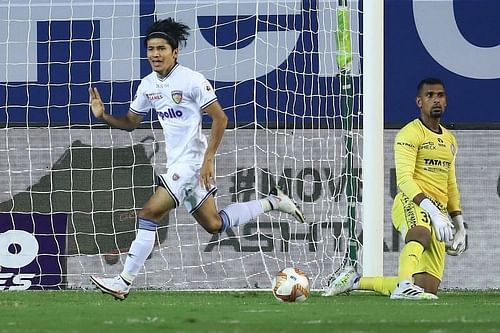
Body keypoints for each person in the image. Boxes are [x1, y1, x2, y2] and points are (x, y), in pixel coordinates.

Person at [89, 18, 305, 300]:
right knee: (214, 224)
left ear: (174, 52)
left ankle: (123, 281)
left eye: (161, 48)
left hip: (191, 165)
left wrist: (208, 159)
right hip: (178, 164)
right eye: (151, 49)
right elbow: (131, 122)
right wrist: (103, 116)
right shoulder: (147, 86)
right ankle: (274, 201)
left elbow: (220, 117)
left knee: (149, 214)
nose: (155, 54)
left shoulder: (191, 80)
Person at [323, 78, 467, 300]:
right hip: (413, 201)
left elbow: (451, 184)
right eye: (430, 95)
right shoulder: (409, 133)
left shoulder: (449, 140)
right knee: (421, 232)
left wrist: (459, 226)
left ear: (446, 101)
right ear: (419, 102)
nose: (436, 100)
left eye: (440, 95)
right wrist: (432, 212)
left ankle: (355, 280)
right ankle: (403, 286)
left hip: (438, 211)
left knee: (427, 288)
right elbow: (405, 180)